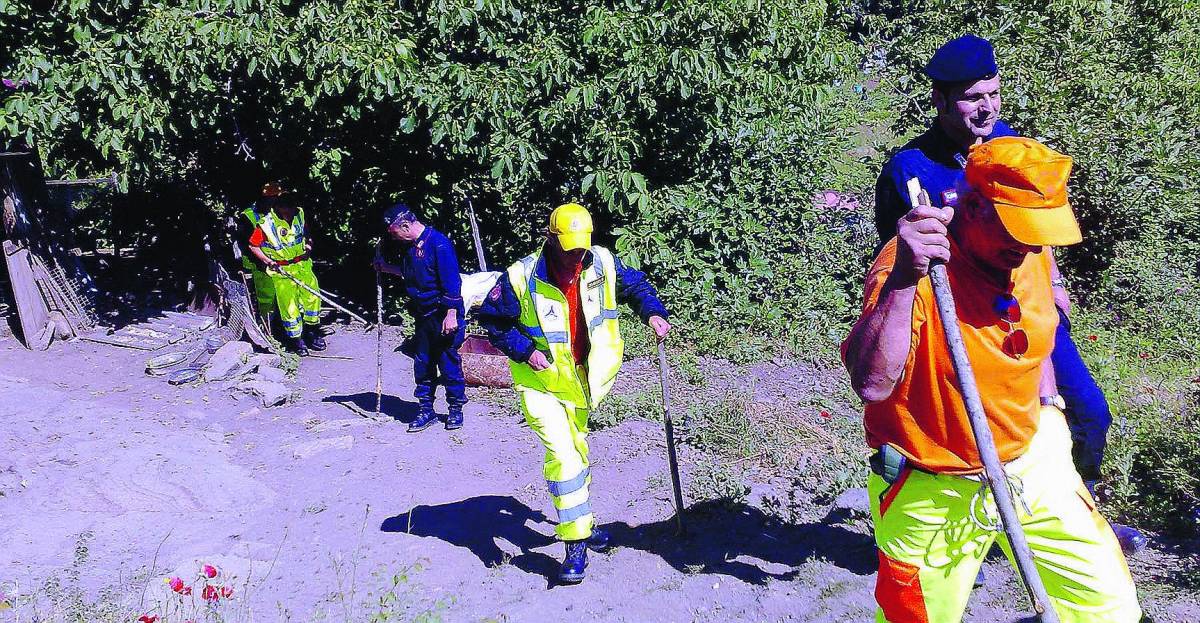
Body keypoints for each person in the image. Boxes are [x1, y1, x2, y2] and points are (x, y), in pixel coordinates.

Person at [843, 137, 1141, 622]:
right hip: (934, 482)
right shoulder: (915, 265)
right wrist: (903, 278)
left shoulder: (1031, 253)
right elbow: (872, 383)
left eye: (1037, 232)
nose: (1026, 245)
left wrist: (1050, 412)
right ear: (973, 204)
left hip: (1035, 459)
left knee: (1109, 608)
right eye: (1017, 230)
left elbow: (1038, 329)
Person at [873, 34, 1145, 554]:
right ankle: (987, 526)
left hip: (1025, 312)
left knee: (1085, 413)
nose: (988, 107)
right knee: (974, 435)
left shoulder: (1009, 144)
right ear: (941, 101)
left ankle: (1066, 515)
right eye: (974, 97)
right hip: (961, 325)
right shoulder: (911, 169)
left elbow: (1036, 217)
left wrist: (1055, 282)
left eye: (994, 94)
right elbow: (895, 262)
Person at [477, 203, 670, 584]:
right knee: (563, 458)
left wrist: (653, 311)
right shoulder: (520, 276)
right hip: (542, 384)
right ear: (551, 239)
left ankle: (585, 522)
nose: (577, 256)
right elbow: (492, 321)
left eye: (582, 247)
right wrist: (526, 351)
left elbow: (635, 286)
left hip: (583, 383)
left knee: (578, 453)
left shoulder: (600, 262)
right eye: (570, 249)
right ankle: (576, 545)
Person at [373, 203, 467, 432]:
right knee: (423, 362)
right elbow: (410, 273)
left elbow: (452, 284)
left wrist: (451, 315)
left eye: (394, 233)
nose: (394, 238)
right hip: (423, 315)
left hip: (443, 314)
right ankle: (426, 410)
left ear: (405, 225)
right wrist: (385, 268)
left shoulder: (439, 244)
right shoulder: (411, 247)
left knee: (447, 362)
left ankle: (455, 409)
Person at [246, 190, 326, 355]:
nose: (290, 212)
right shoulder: (266, 224)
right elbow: (253, 245)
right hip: (282, 271)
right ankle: (296, 340)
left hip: (303, 266)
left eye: (292, 207)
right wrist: (268, 261)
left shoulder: (299, 214)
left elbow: (307, 234)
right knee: (289, 307)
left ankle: (312, 332)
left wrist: (309, 247)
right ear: (278, 207)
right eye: (286, 208)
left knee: (312, 300)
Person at [238, 183, 280, 324]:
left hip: (276, 260)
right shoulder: (249, 216)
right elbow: (248, 244)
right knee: (266, 297)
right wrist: (265, 260)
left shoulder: (276, 212)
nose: (275, 201)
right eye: (273, 198)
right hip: (257, 264)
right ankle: (268, 326)